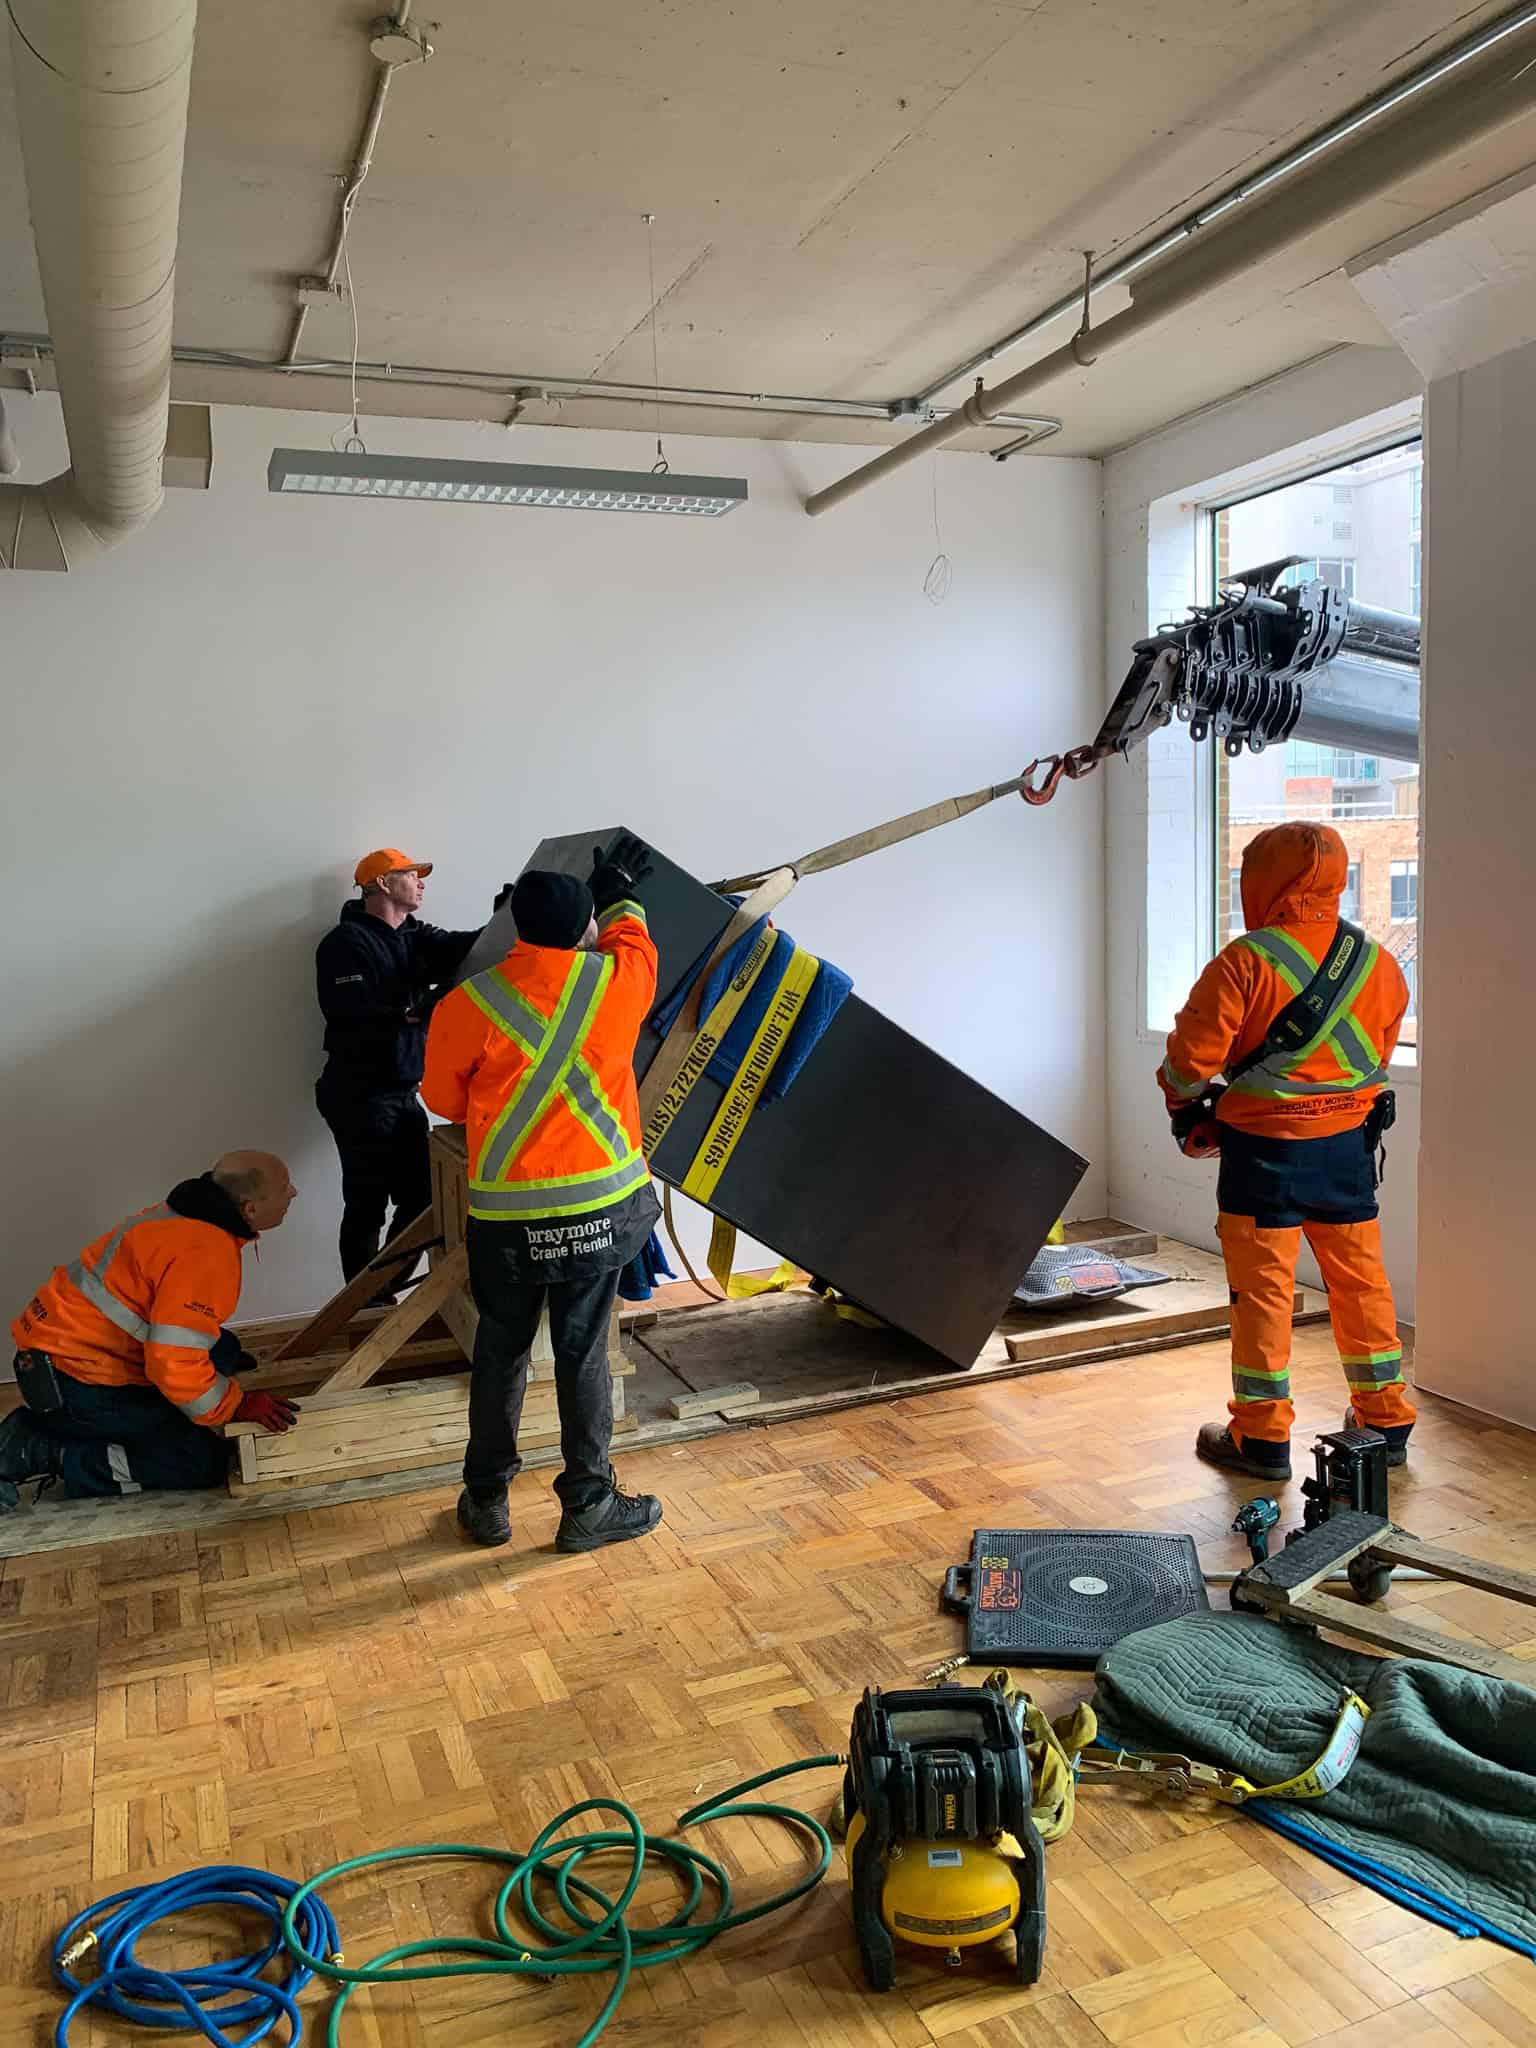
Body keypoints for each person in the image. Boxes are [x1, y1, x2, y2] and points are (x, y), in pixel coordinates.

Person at [421, 837, 664, 1552]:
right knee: (583, 1353)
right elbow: (635, 938)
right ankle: (588, 1504)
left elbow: (442, 1101)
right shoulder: (618, 982)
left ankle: (487, 1501)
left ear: (515, 925)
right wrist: (618, 892)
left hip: (508, 1219)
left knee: (501, 1353)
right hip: (598, 1210)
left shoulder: (468, 1004)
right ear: (586, 927)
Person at [1159, 821, 1415, 1482]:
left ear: (1262, 883)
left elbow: (1189, 1066)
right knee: (1361, 1285)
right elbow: (1373, 1060)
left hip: (1263, 1159)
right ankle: (1386, 1422)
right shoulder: (1378, 963)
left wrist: (1188, 1104)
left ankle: (1263, 1439)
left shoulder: (1246, 962)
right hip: (1348, 1156)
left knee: (1264, 1295)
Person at [3, 1152, 301, 1508]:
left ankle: (51, 1423)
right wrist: (236, 1404)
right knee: (198, 1461)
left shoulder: (183, 1212)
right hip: (78, 1385)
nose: (293, 1193)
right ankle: (45, 1449)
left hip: (51, 1353)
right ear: (249, 1209)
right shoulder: (207, 1254)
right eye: (285, 1188)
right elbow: (171, 1361)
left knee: (222, 1348)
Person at [315, 849, 483, 1292]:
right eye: (413, 874)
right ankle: (366, 1307)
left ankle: (377, 1292)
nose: (422, 882)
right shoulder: (344, 944)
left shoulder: (414, 936)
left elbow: (462, 949)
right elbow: (351, 1014)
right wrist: (411, 1013)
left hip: (401, 1092)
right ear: (383, 884)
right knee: (367, 1204)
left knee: (424, 1198)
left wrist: (505, 917)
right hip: (358, 1094)